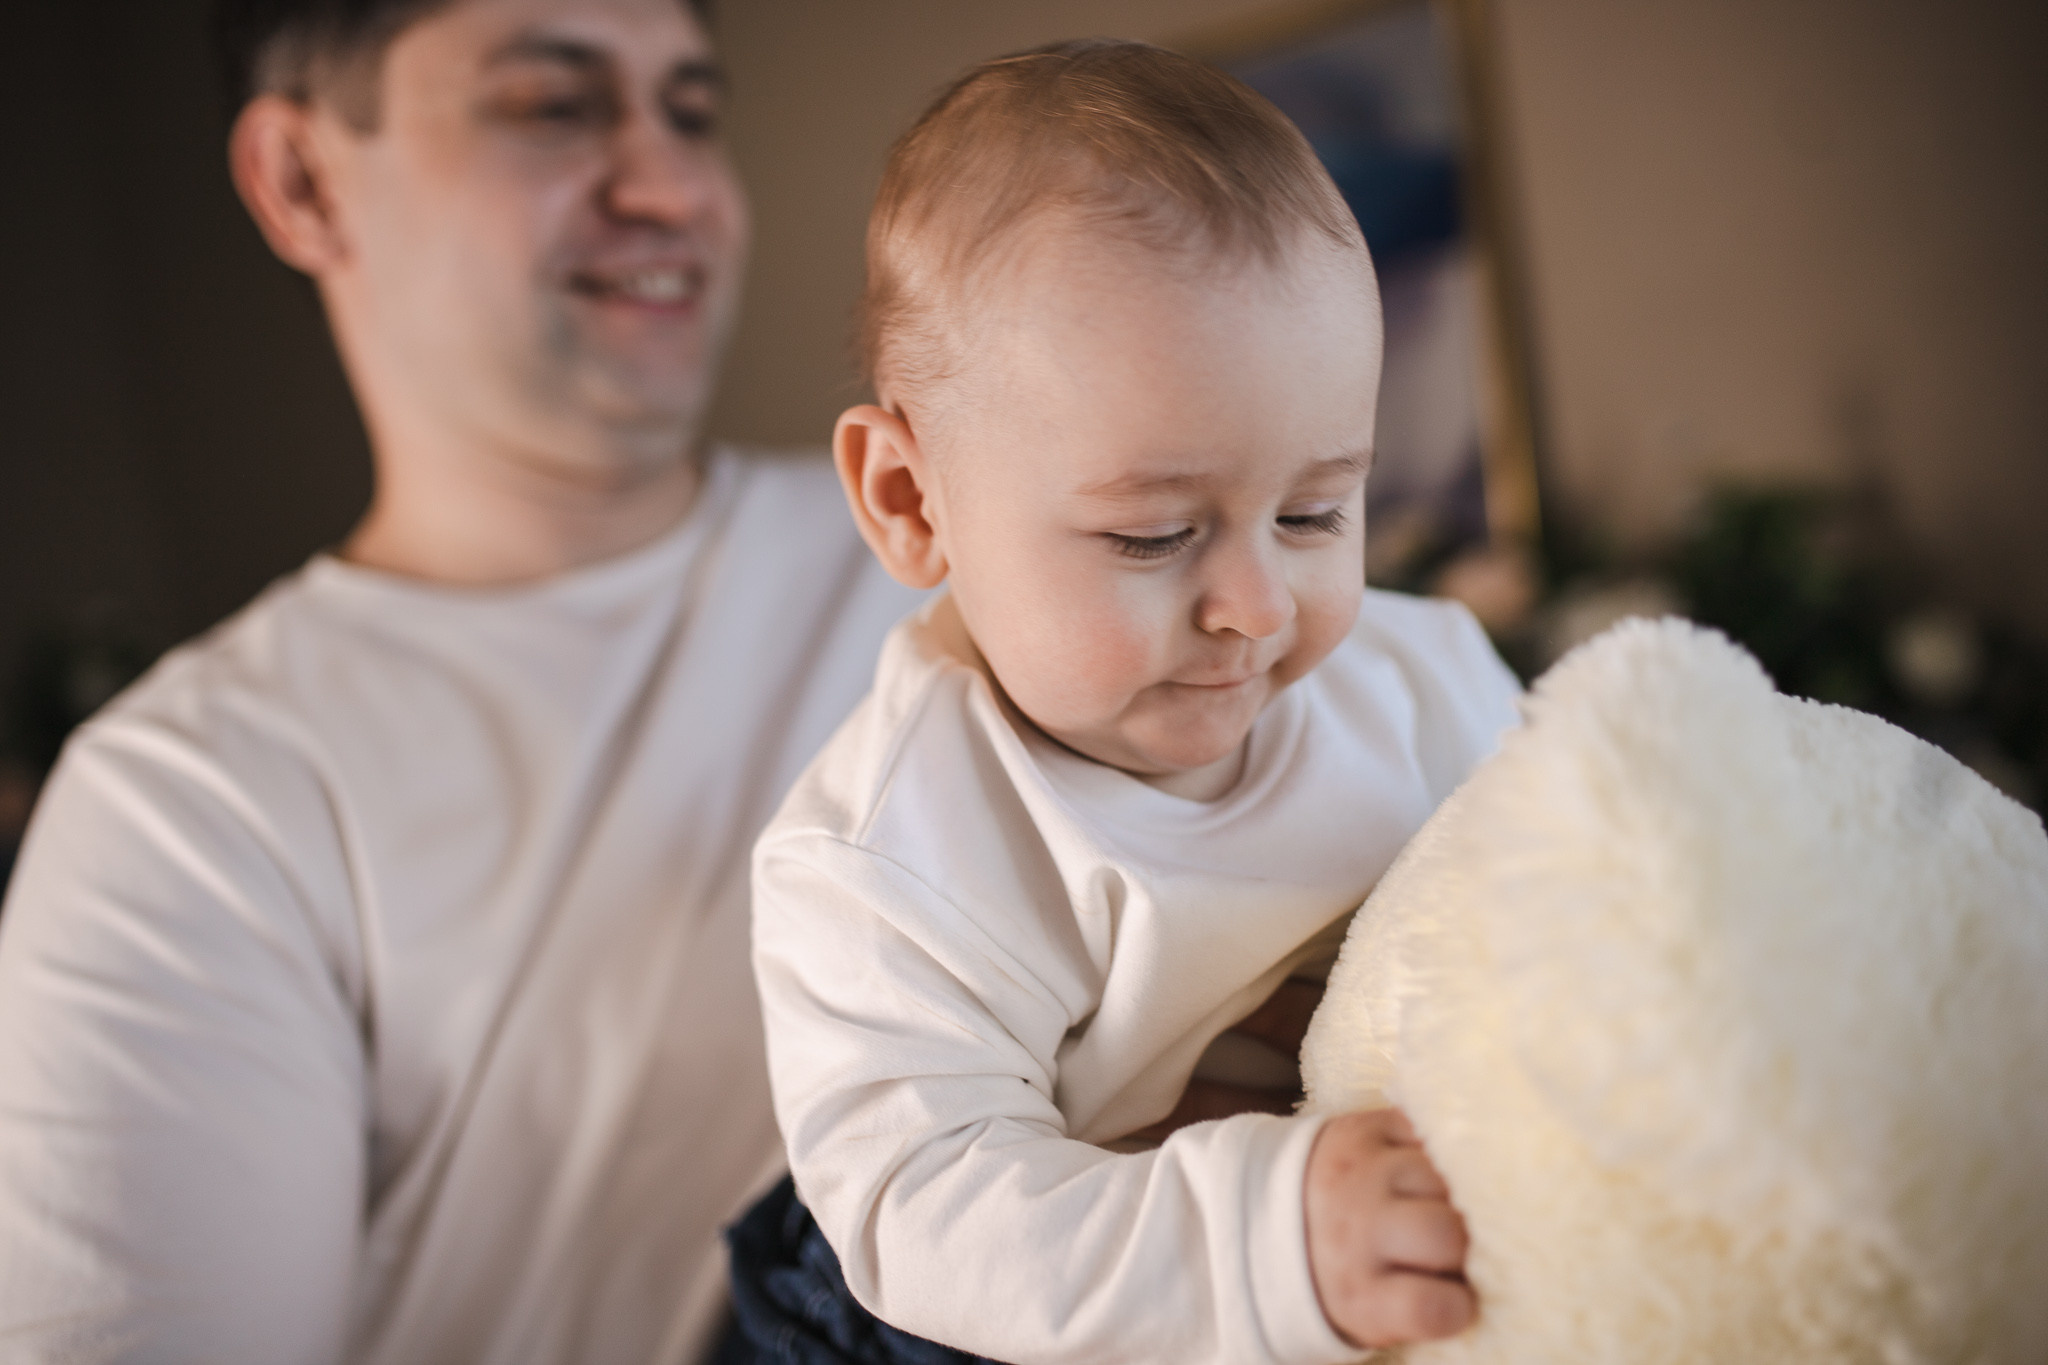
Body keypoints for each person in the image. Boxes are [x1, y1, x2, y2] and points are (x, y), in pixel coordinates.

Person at [0, 1, 924, 1361]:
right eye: (554, 106)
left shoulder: (965, 567)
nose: (670, 189)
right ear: (303, 182)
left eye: (689, 112)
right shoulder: (190, 806)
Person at [736, 41, 1523, 1365]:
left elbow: (1579, 880)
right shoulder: (887, 860)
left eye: (1316, 512)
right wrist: (1270, 1238)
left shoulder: (1420, 679)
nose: (1257, 605)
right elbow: (927, 1210)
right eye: (1155, 536)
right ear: (911, 502)